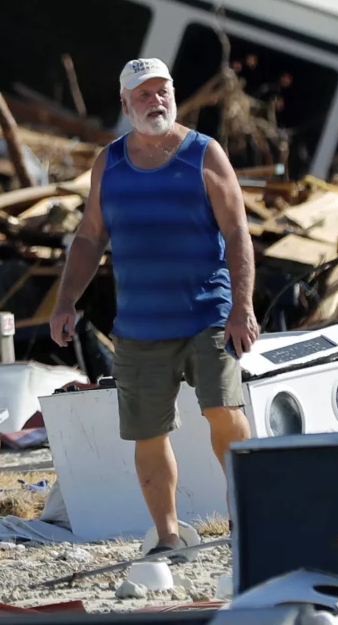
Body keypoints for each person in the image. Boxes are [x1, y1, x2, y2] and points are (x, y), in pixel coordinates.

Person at [50, 57, 257, 553]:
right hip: (139, 327)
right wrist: (64, 303)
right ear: (125, 104)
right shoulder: (110, 163)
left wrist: (242, 307)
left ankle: (246, 519)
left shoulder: (204, 154)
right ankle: (166, 535)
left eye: (162, 91)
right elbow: (89, 236)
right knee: (148, 432)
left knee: (224, 412)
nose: (155, 101)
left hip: (208, 315)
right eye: (143, 94)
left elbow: (237, 232)